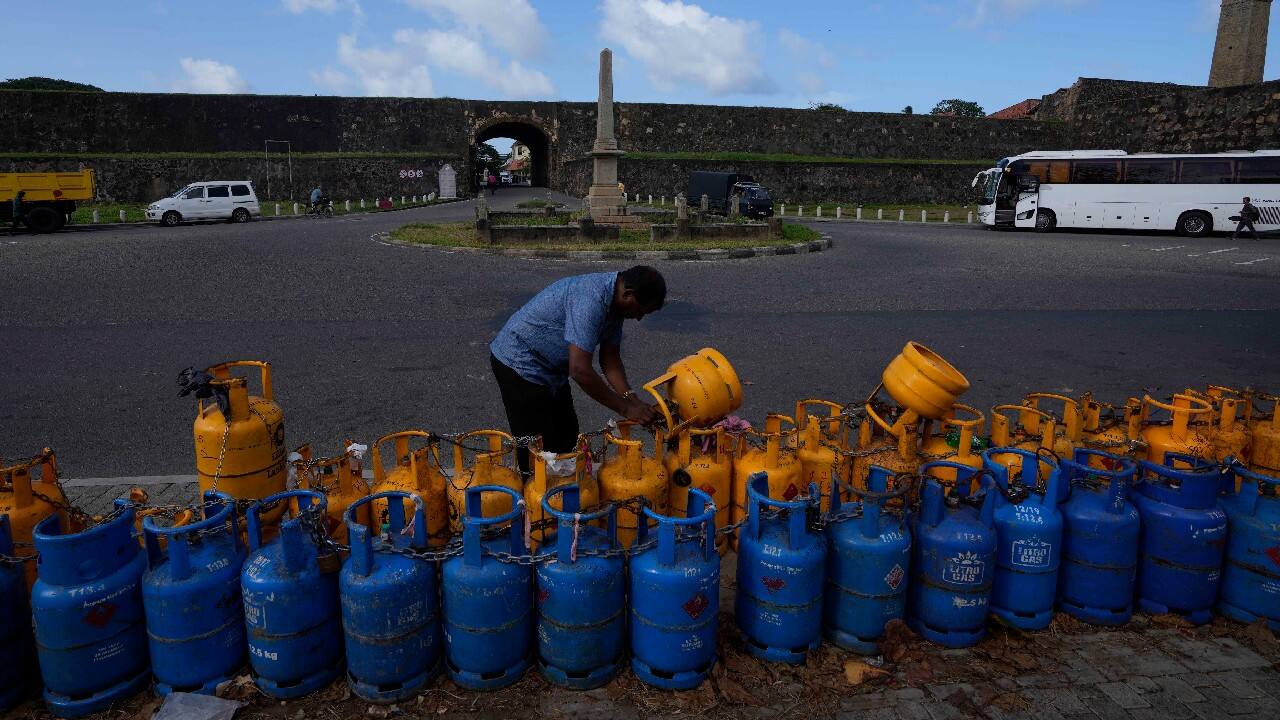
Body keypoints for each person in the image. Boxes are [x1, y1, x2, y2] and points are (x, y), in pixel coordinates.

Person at [490, 266, 667, 475]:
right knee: (536, 448)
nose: (638, 317)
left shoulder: (616, 304)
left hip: (552, 371)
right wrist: (626, 409)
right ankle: (532, 501)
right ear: (629, 294)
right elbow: (580, 370)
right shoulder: (590, 300)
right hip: (519, 364)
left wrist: (632, 399)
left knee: (566, 436)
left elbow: (609, 358)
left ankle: (562, 495)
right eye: (641, 310)